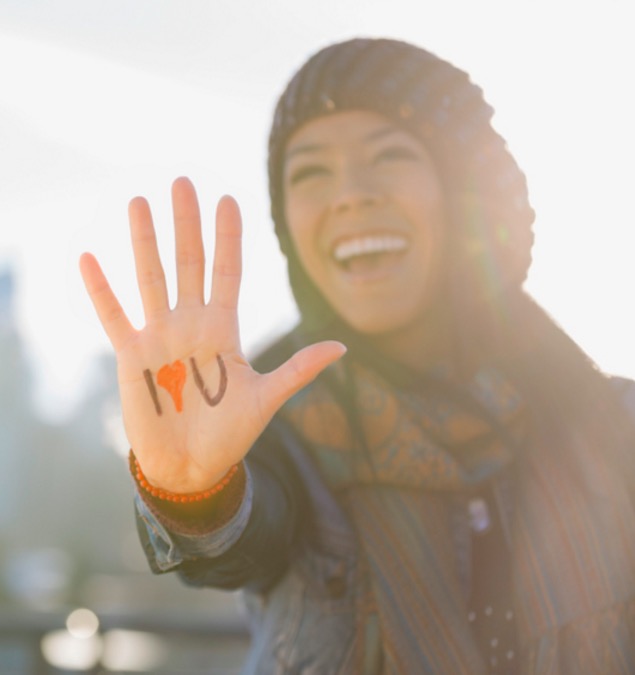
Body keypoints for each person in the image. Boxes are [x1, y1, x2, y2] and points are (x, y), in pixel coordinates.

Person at [79, 38, 635, 674]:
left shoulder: (612, 420)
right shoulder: (268, 417)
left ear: (462, 196)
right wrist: (195, 492)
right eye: (311, 171)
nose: (350, 195)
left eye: (390, 156)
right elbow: (241, 540)